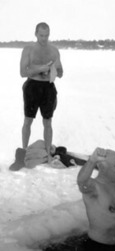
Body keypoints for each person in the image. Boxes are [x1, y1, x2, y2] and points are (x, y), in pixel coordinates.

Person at [20, 22, 63, 163]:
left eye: (46, 35)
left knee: (48, 122)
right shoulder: (28, 49)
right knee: (28, 120)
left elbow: (61, 72)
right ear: (36, 34)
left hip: (48, 88)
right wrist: (42, 68)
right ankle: (23, 152)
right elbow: (22, 72)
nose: (44, 38)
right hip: (32, 87)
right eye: (41, 35)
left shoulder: (54, 50)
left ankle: (49, 155)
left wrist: (54, 71)